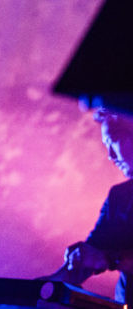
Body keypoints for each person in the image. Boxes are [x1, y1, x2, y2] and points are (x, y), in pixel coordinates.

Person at [47, 108, 133, 305]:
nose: (110, 155)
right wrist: (27, 290)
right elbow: (92, 256)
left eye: (114, 141)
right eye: (106, 145)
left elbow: (103, 257)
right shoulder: (119, 197)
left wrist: (109, 259)